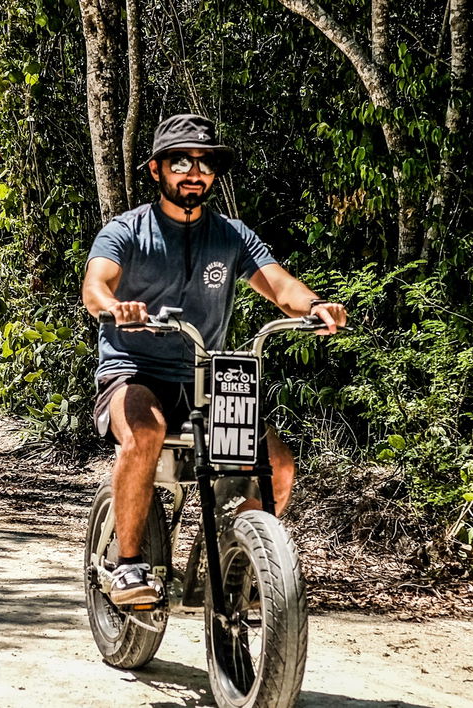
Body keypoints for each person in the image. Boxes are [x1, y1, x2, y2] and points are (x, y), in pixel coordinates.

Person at [81, 114, 348, 607]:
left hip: (205, 378)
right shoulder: (127, 231)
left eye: (205, 164)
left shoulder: (232, 235)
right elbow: (95, 285)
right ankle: (128, 564)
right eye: (181, 161)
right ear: (157, 169)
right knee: (144, 433)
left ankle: (237, 561)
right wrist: (115, 306)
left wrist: (315, 306)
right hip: (132, 373)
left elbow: (281, 286)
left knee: (279, 468)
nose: (193, 172)